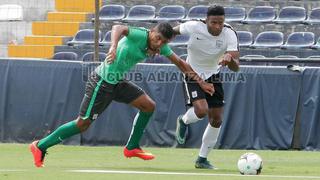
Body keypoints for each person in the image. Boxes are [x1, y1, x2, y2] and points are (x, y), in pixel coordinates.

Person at [29, 22, 214, 167]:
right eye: (158, 39)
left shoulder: (160, 47)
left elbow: (181, 63)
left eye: (164, 42)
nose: (159, 44)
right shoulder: (140, 34)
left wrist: (201, 82)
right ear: (151, 32)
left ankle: (132, 147)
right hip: (101, 82)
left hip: (117, 82)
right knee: (82, 124)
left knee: (148, 106)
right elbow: (118, 27)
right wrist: (112, 47)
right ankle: (40, 146)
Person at [173, 5, 240, 169]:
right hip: (191, 72)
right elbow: (171, 31)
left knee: (216, 119)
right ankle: (183, 120)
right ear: (206, 20)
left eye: (221, 23)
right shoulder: (194, 26)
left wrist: (229, 59)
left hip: (213, 75)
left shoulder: (229, 33)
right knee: (201, 111)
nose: (217, 26)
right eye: (214, 22)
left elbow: (236, 67)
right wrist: (159, 41)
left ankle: (202, 159)